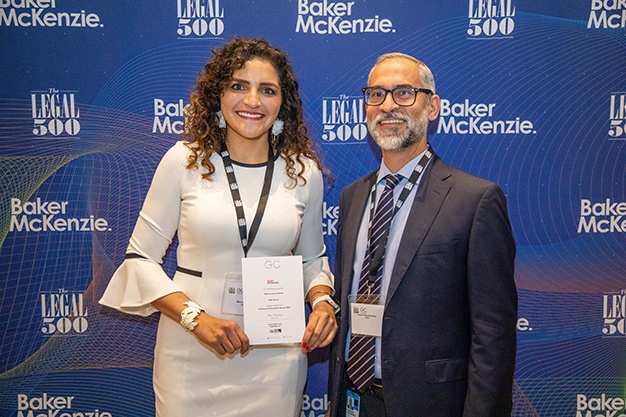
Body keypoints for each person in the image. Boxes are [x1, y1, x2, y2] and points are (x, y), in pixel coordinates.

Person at [99, 37, 338, 417]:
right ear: (218, 95)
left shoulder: (303, 172)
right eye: (239, 86)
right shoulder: (184, 161)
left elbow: (312, 259)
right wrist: (196, 319)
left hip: (275, 356)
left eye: (267, 90)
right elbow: (140, 258)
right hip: (191, 350)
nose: (253, 101)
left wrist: (323, 301)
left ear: (283, 103)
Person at [327, 52, 517, 416]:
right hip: (355, 400)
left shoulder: (475, 200)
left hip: (431, 404)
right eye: (376, 94)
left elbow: (493, 332)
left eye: (404, 93)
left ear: (432, 107)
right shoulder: (353, 197)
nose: (388, 106)